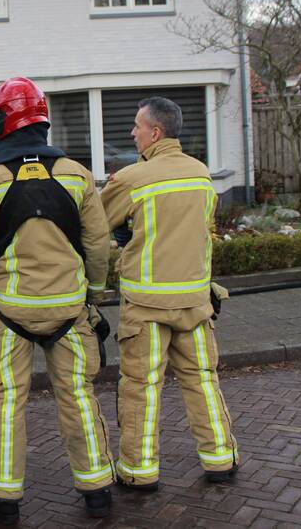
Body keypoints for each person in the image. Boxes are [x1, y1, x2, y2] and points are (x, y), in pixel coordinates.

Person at [0, 77, 114, 524]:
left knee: (6, 401)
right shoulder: (78, 174)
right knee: (79, 396)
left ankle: (2, 497)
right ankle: (98, 488)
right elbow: (99, 245)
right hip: (70, 311)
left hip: (8, 315)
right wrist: (93, 297)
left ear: (6, 121)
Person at [101, 96, 238, 492]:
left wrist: (122, 233)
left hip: (147, 307)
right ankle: (221, 459)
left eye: (136, 126)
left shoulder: (131, 178)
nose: (132, 133)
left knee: (141, 387)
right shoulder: (200, 173)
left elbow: (92, 224)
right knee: (202, 381)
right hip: (195, 303)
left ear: (155, 132)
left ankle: (138, 471)